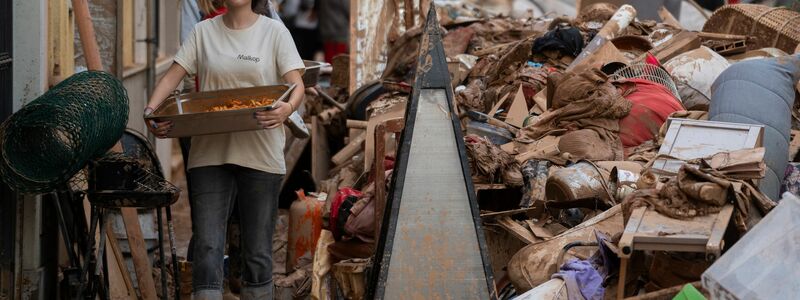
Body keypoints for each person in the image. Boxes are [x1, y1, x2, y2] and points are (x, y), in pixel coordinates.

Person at [144, 0, 305, 298]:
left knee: (256, 250)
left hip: (261, 153)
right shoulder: (203, 32)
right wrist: (151, 111)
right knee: (207, 244)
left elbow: (296, 86)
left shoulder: (274, 33)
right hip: (209, 153)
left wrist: (286, 110)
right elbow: (171, 76)